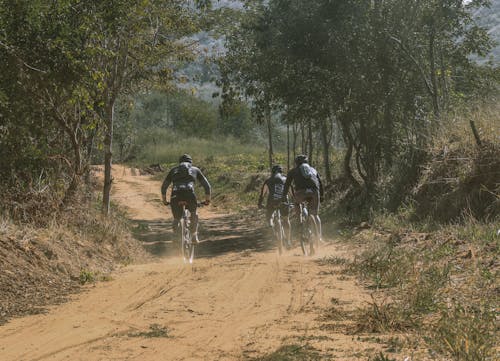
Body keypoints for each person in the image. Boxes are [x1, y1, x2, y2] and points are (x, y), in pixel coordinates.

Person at [161, 154, 211, 243]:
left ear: (179, 163)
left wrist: (165, 200)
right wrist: (207, 200)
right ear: (191, 163)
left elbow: (164, 187)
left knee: (176, 218)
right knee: (194, 213)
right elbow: (207, 186)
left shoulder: (173, 170)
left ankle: (175, 236)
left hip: (175, 196)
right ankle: (194, 236)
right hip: (190, 195)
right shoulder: (195, 170)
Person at [283, 154, 324, 241]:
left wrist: (283, 197)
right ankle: (319, 237)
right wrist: (322, 196)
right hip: (314, 192)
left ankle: (300, 223)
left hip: (300, 193)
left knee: (297, 203)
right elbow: (320, 183)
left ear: (296, 163)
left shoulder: (292, 171)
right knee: (315, 215)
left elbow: (287, 185)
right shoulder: (313, 170)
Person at [258, 165, 292, 247]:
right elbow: (291, 193)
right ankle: (288, 241)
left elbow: (263, 194)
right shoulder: (285, 179)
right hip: (284, 201)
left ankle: (271, 226)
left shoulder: (268, 180)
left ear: (272, 172)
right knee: (286, 219)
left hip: (272, 201)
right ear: (281, 172)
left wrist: (259, 203)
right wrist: (294, 201)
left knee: (269, 216)